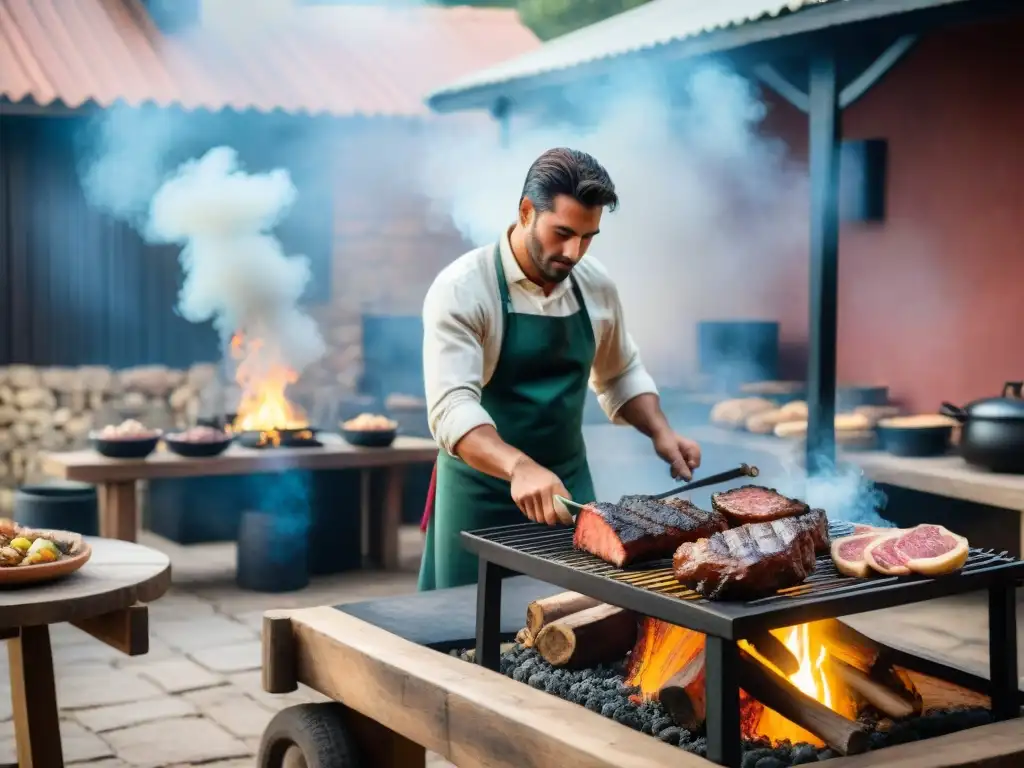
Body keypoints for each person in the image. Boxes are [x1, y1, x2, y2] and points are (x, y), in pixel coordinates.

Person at [418, 148, 701, 591]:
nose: (574, 252)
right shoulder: (462, 289)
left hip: (569, 492)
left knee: (575, 626)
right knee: (462, 635)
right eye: (563, 233)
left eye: (588, 237)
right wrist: (519, 467)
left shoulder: (595, 284)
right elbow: (452, 408)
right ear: (527, 211)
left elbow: (620, 371)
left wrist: (661, 432)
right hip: (480, 494)